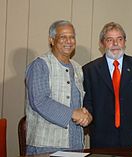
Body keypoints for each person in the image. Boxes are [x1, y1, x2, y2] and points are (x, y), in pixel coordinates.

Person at [83, 22, 132, 148]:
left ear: (125, 42)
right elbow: (88, 103)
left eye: (119, 39)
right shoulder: (89, 70)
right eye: (110, 40)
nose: (115, 44)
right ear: (102, 44)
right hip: (101, 139)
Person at [25, 20, 92, 155]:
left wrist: (87, 116)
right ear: (52, 40)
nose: (69, 41)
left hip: (76, 144)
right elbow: (39, 101)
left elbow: (79, 103)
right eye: (63, 37)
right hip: (46, 146)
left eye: (72, 37)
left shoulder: (78, 68)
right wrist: (73, 113)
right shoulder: (40, 65)